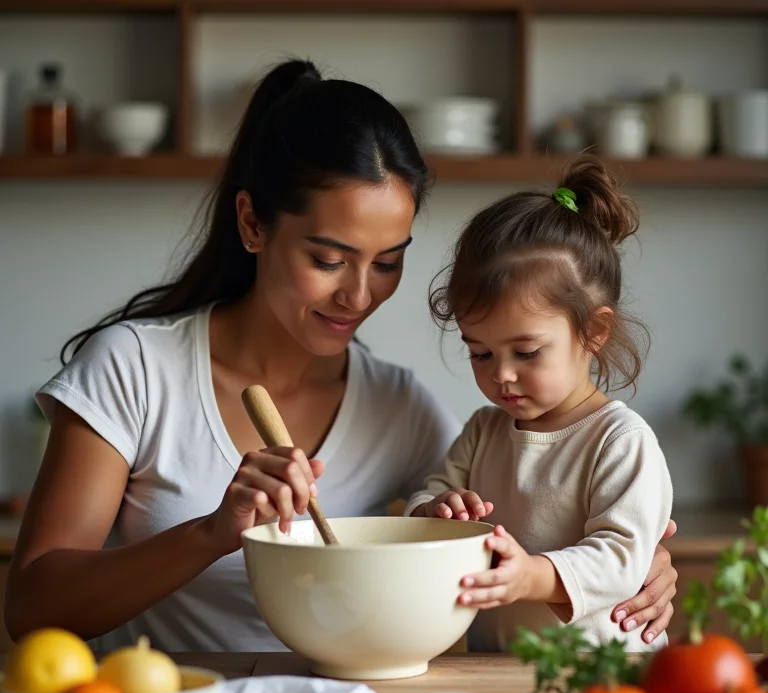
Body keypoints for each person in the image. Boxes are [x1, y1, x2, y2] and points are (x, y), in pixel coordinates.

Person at [5, 60, 678, 653]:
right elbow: (31, 609)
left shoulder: (399, 407)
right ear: (252, 223)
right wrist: (210, 533)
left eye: (387, 263)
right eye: (329, 259)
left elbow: (505, 517)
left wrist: (635, 566)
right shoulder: (132, 369)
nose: (359, 296)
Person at [406, 156, 673, 652]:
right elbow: (429, 497)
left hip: (601, 670)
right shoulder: (483, 432)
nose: (501, 374)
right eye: (480, 352)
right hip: (498, 668)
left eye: (526, 352)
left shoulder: (619, 440)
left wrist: (532, 575)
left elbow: (623, 559)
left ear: (593, 331)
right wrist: (434, 511)